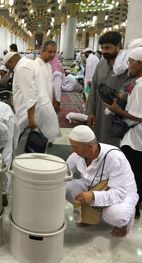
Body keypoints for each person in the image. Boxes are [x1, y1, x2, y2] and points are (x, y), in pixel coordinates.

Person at [65, 125, 138, 237]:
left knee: (116, 216)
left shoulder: (115, 157)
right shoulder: (77, 155)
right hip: (89, 186)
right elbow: (64, 172)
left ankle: (124, 222)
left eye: (75, 147)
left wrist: (93, 196)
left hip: (121, 192)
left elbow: (119, 193)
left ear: (89, 147)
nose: (72, 150)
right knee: (65, 187)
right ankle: (88, 213)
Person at [105, 47, 142, 218]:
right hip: (135, 136)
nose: (128, 65)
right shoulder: (137, 83)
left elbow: (138, 117)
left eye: (130, 61)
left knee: (134, 174)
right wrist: (115, 94)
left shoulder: (141, 85)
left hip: (137, 138)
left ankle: (131, 209)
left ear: (139, 63)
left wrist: (116, 110)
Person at [86, 31, 134, 147]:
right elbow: (94, 88)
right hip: (100, 112)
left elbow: (131, 92)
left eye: (108, 48)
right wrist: (90, 112)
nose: (104, 51)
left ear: (118, 46)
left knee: (116, 144)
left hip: (119, 115)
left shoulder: (128, 67)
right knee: (99, 141)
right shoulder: (100, 65)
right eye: (102, 48)